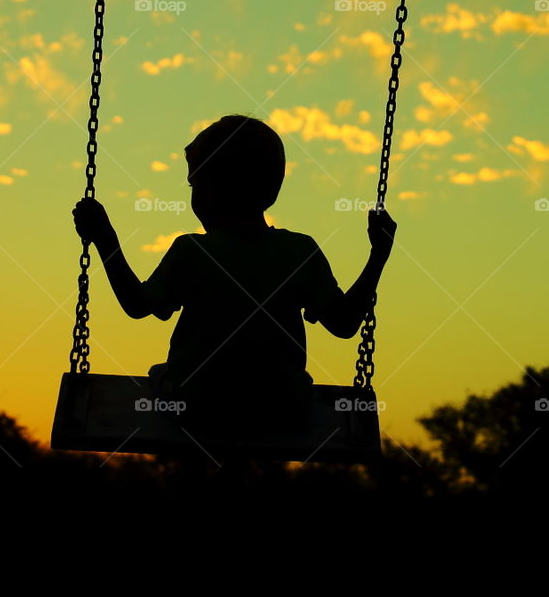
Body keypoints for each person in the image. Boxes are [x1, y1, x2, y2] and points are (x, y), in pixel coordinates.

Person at [72, 114, 396, 437]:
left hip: (199, 407)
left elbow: (137, 304)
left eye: (193, 182)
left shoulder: (192, 251)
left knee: (162, 375)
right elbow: (343, 323)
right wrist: (378, 255)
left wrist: (105, 237)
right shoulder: (300, 251)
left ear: (213, 188)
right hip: (282, 410)